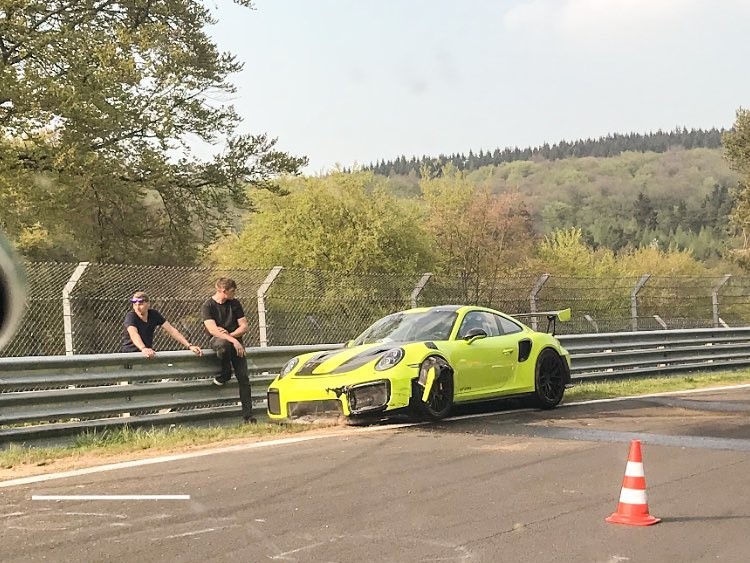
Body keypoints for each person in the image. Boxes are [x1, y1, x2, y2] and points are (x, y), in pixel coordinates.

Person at [201, 277, 256, 424]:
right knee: (224, 345)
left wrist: (231, 336)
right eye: (232, 291)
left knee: (244, 377)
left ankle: (248, 416)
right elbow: (213, 330)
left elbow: (244, 326)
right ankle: (225, 373)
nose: (234, 294)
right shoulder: (208, 306)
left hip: (234, 340)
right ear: (223, 291)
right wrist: (231, 340)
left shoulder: (235, 304)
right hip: (219, 341)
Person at [122, 291, 203, 358]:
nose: (137, 308)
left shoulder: (154, 314)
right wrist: (143, 348)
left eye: (140, 304)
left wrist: (189, 346)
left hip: (148, 354)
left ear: (148, 304)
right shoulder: (131, 316)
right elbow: (134, 334)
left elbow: (172, 330)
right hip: (131, 354)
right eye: (135, 305)